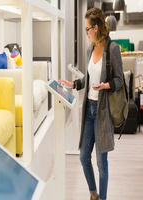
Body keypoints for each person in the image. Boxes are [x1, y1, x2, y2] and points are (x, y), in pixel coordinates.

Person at [59, 7, 123, 200]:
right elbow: (88, 79)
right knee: (83, 157)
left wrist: (106, 85)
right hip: (88, 110)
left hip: (103, 112)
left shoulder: (112, 49)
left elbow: (119, 80)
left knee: (101, 162)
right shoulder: (89, 49)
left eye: (87, 29)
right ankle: (93, 194)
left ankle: (102, 198)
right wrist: (74, 84)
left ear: (95, 28)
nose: (85, 33)